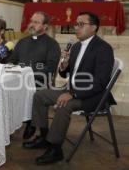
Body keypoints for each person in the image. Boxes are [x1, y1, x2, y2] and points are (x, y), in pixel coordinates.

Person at [23, 12, 115, 165]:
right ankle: (43, 136)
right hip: (71, 89)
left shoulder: (103, 48)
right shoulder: (77, 46)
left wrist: (73, 94)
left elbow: (100, 82)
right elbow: (66, 74)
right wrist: (64, 66)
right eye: (76, 24)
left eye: (81, 24)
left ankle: (55, 148)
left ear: (93, 27)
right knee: (40, 95)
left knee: (64, 105)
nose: (76, 28)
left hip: (93, 96)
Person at [8, 11, 61, 140]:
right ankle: (9, 124)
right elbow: (11, 61)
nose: (31, 24)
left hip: (40, 81)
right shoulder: (22, 42)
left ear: (45, 27)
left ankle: (31, 123)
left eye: (36, 22)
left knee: (34, 92)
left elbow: (50, 69)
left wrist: (28, 74)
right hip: (18, 80)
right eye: (31, 21)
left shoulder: (52, 44)